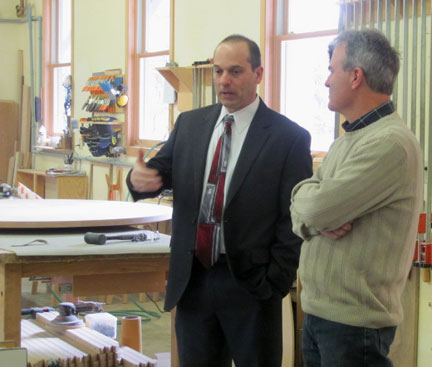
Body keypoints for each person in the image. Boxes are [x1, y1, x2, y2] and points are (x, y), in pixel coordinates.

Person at [127, 34, 312, 367]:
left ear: (258, 74)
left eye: (236, 71)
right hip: (194, 279)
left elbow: (293, 219)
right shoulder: (190, 124)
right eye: (218, 71)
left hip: (252, 285)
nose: (224, 81)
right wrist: (139, 180)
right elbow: (158, 173)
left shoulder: (288, 138)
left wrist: (274, 282)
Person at [290, 29, 423, 367]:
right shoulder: (349, 137)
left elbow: (316, 207)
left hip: (355, 327)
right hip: (323, 315)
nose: (326, 81)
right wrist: (312, 212)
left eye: (332, 70)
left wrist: (314, 212)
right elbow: (303, 199)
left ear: (355, 77)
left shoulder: (389, 144)